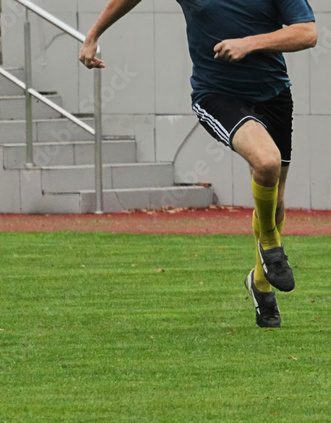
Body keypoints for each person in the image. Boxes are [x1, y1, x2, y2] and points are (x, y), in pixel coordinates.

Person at [80, 0, 318, 329]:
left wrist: (249, 43)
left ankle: (261, 284)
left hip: (274, 95)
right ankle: (271, 247)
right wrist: (93, 35)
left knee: (275, 200)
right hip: (217, 95)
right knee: (267, 162)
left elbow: (307, 33)